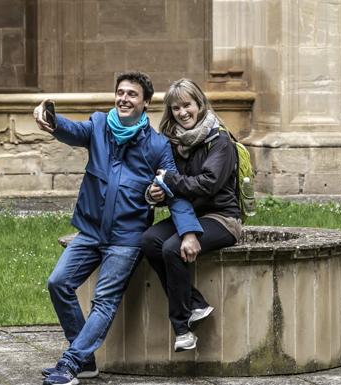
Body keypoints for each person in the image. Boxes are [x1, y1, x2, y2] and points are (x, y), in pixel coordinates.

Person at [33, 72, 203, 385]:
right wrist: (52, 120)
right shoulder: (99, 126)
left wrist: (189, 231)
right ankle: (85, 360)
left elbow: (173, 191)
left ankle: (71, 364)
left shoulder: (157, 145)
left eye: (132, 95)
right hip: (91, 232)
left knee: (104, 301)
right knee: (58, 283)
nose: (124, 99)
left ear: (146, 103)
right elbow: (73, 131)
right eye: (120, 93)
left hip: (126, 240)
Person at [142, 78, 242, 352]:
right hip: (189, 217)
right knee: (149, 241)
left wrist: (171, 182)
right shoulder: (174, 142)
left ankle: (182, 328)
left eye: (187, 105)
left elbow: (209, 183)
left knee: (173, 248)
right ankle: (195, 303)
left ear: (200, 104)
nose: (182, 112)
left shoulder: (220, 140)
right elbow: (164, 180)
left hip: (222, 218)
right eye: (175, 108)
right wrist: (156, 192)